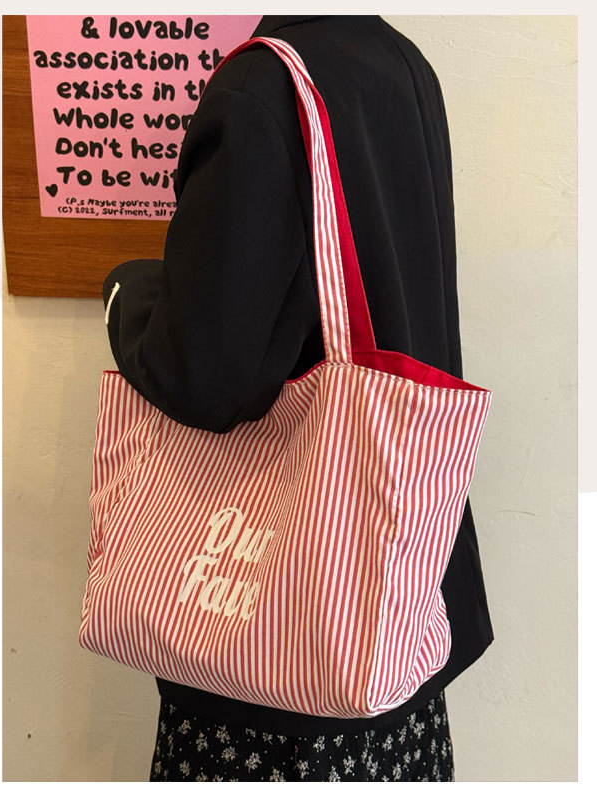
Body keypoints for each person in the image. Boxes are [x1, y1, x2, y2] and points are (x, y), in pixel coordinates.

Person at [101, 14, 493, 782]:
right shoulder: (399, 60)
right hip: (395, 592)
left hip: (282, 667)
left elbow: (202, 376)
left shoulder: (262, 86)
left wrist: (128, 291)